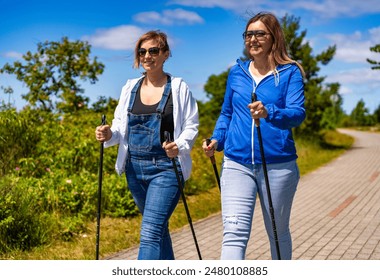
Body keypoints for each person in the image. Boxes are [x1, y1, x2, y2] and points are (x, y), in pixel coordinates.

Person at [202, 12, 306, 260]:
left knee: (277, 233)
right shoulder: (236, 73)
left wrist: (270, 112)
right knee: (233, 232)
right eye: (248, 34)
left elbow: (297, 113)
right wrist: (217, 140)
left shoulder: (289, 73)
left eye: (260, 33)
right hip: (237, 163)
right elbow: (227, 113)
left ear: (273, 38)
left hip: (278, 165)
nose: (253, 39)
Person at [95, 30, 199, 260]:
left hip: (167, 169)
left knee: (150, 232)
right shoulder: (129, 87)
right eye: (142, 51)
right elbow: (120, 128)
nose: (147, 56)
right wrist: (108, 133)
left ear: (165, 54)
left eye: (153, 50)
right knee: (158, 230)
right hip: (134, 169)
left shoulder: (179, 87)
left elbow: (192, 125)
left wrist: (179, 145)